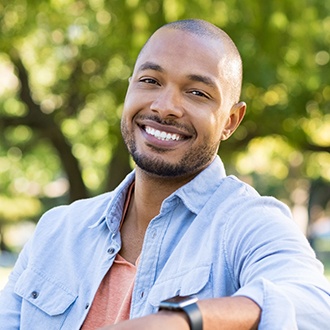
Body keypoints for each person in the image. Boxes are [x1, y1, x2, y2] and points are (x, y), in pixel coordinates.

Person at [0, 18, 329, 330]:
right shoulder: (58, 230)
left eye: (197, 92)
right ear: (129, 89)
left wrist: (183, 321)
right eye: (150, 81)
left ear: (230, 121)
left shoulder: (248, 224)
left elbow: (313, 307)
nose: (164, 106)